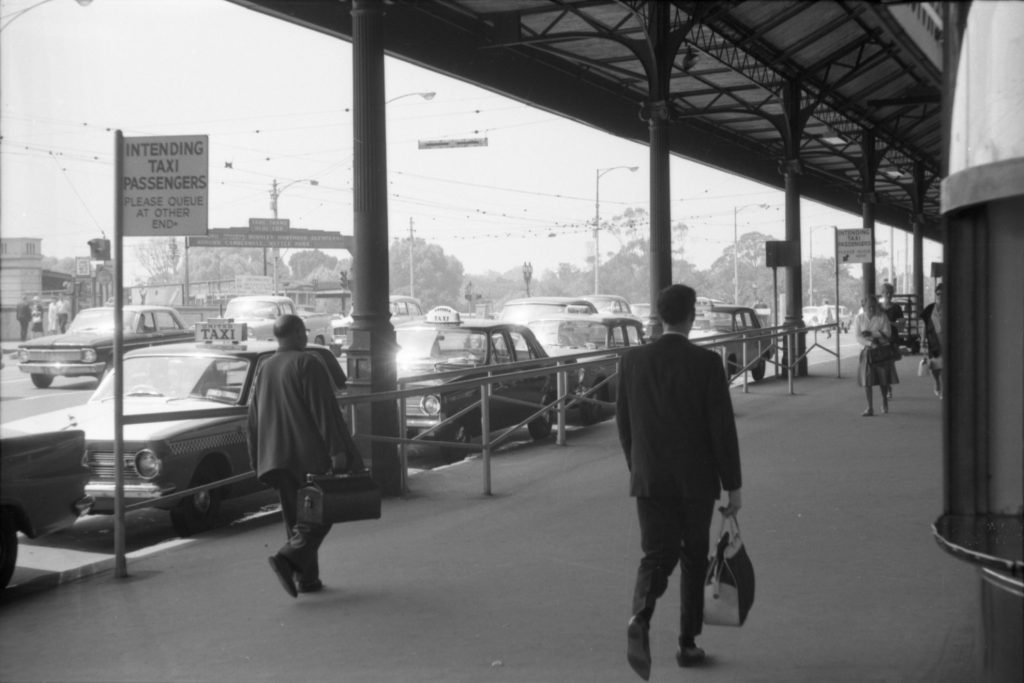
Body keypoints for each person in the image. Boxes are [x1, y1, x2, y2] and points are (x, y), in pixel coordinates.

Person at [616, 284, 743, 680]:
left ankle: (642, 613)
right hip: (696, 481)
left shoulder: (632, 360)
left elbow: (624, 422)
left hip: (649, 476)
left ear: (659, 315)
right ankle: (687, 644)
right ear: (691, 316)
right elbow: (721, 429)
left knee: (655, 554)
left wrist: (638, 467)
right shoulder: (706, 363)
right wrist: (732, 485)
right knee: (692, 558)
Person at [247, 314, 364, 598]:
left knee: (295, 519)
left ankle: (307, 578)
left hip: (276, 456)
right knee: (323, 512)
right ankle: (288, 558)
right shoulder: (308, 363)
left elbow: (252, 417)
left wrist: (257, 459)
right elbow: (325, 411)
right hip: (308, 455)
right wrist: (337, 451)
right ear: (299, 333)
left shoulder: (265, 367)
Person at [854, 296, 898, 416]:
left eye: (874, 306)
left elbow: (888, 333)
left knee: (882, 379)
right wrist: (870, 343)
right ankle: (870, 407)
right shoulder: (859, 318)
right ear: (863, 307)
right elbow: (858, 337)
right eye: (869, 306)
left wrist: (872, 334)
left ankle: (884, 401)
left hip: (881, 351)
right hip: (866, 351)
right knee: (867, 381)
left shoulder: (882, 316)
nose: (872, 308)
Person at [920, 283, 943, 398]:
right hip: (932, 341)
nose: (940, 296)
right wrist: (922, 342)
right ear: (935, 294)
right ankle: (937, 382)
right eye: (938, 293)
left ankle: (943, 386)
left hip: (946, 342)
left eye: (943, 294)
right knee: (935, 366)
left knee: (944, 366)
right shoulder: (929, 309)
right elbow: (924, 326)